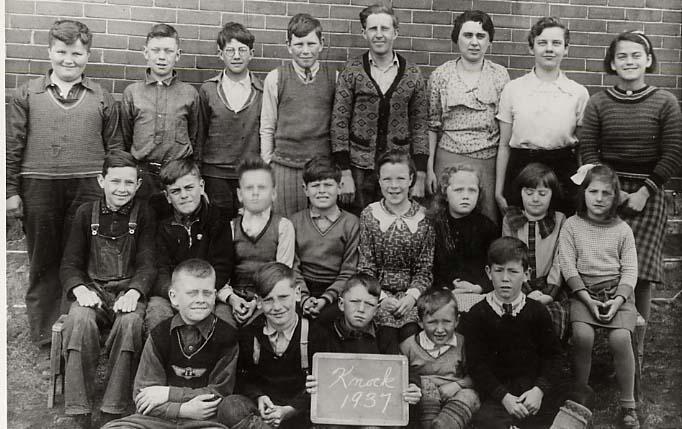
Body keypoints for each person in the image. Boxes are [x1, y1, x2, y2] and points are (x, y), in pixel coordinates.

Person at [6, 19, 123, 346]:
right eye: (61, 52)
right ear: (49, 51)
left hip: (87, 187)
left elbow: (114, 149)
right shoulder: (27, 93)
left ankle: (76, 333)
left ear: (88, 54)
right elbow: (13, 144)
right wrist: (10, 191)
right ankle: (46, 338)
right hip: (39, 185)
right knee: (44, 260)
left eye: (77, 53)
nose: (68, 60)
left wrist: (111, 189)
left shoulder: (102, 96)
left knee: (80, 260)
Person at [579, 30, 682, 367]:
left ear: (649, 60)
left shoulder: (665, 101)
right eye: (622, 56)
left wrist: (644, 191)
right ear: (612, 62)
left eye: (637, 55)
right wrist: (612, 192)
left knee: (640, 271)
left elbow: (674, 152)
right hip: (605, 188)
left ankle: (635, 351)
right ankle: (606, 340)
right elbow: (588, 151)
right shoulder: (598, 102)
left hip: (648, 191)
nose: (629, 61)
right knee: (606, 263)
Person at [59, 150, 156, 428]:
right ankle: (80, 408)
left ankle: (115, 407)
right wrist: (79, 289)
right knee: (78, 320)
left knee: (131, 323)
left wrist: (135, 292)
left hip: (128, 293)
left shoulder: (145, 213)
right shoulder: (84, 213)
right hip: (93, 292)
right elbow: (69, 263)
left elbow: (148, 264)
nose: (122, 189)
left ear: (138, 185)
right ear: (101, 181)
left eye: (129, 183)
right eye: (115, 181)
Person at [103, 259, 239, 429]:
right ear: (174, 297)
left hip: (203, 420)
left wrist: (168, 393)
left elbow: (219, 394)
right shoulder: (160, 334)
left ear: (214, 294)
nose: (201, 299)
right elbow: (143, 395)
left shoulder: (226, 337)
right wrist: (180, 410)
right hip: (159, 419)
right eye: (192, 293)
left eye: (207, 293)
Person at [559, 164, 640, 429]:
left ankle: (628, 405)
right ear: (583, 193)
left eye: (607, 193)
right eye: (593, 191)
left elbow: (630, 269)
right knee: (582, 336)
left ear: (615, 197)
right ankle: (580, 398)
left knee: (620, 338)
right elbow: (567, 265)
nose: (599, 198)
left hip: (617, 293)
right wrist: (586, 298)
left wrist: (618, 300)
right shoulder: (572, 225)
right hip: (583, 293)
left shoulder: (623, 230)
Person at [331, 3, 429, 215]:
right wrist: (345, 172)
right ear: (364, 32)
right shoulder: (352, 71)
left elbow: (420, 125)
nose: (379, 35)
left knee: (395, 222)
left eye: (385, 29)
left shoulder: (413, 74)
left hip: (398, 168)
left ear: (396, 32)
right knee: (358, 222)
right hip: (359, 168)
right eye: (373, 29)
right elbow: (339, 123)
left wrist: (420, 173)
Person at [461, 237, 563, 428]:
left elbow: (554, 357)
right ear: (488, 273)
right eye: (498, 271)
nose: (505, 279)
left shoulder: (537, 311)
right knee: (487, 420)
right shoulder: (478, 314)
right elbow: (477, 365)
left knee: (580, 395)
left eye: (513, 272)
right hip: (498, 396)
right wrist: (504, 398)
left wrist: (539, 391)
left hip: (533, 393)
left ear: (526, 274)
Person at [495, 16, 589, 216]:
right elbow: (504, 145)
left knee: (561, 234)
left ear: (566, 49)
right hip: (521, 168)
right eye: (542, 43)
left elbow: (582, 146)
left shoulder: (578, 92)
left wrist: (581, 187)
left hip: (563, 170)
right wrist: (499, 190)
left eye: (556, 43)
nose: (549, 49)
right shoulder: (513, 89)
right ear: (531, 48)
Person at [304, 274, 423, 429]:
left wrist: (413, 385)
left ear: (376, 310)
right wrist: (311, 385)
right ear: (341, 304)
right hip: (337, 415)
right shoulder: (324, 335)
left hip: (372, 413)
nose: (361, 309)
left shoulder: (385, 336)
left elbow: (403, 369)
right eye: (354, 302)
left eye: (369, 304)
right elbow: (312, 379)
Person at [426, 10, 509, 224]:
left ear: (489, 41)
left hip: (487, 161)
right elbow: (432, 125)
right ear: (457, 38)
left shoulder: (500, 75)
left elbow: (505, 127)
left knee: (485, 220)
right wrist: (429, 169)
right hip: (448, 157)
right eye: (468, 35)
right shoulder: (441, 75)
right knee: (444, 219)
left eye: (481, 36)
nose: (474, 42)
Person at [221, 263, 324, 429]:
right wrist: (258, 397)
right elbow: (242, 378)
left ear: (297, 293)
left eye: (283, 297)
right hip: (264, 414)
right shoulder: (250, 334)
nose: (277, 307)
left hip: (300, 412)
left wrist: (290, 409)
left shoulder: (316, 334)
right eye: (268, 300)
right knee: (230, 406)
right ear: (258, 302)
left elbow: (324, 385)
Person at [121, 23, 200, 216]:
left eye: (168, 51)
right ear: (146, 53)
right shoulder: (132, 92)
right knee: (143, 225)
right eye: (156, 50)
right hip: (143, 174)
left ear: (178, 55)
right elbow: (124, 136)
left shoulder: (189, 93)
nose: (162, 57)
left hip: (177, 175)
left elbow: (196, 136)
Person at [260, 13, 335, 217]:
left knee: (321, 227)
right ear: (288, 45)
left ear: (321, 44)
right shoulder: (276, 78)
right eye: (299, 44)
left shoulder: (334, 78)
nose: (305, 51)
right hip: (285, 168)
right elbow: (267, 127)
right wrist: (269, 167)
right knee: (286, 226)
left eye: (311, 44)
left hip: (321, 169)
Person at [146, 160, 234, 331]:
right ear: (167, 197)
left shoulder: (216, 219)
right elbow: (160, 268)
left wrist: (202, 294)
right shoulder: (161, 224)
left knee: (225, 323)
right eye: (176, 191)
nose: (184, 195)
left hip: (208, 291)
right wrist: (175, 294)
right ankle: (160, 357)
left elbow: (222, 265)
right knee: (157, 315)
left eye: (189, 188)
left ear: (201, 186)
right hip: (172, 294)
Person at [358, 150, 434, 343]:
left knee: (410, 336)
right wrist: (382, 298)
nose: (394, 186)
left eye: (400, 178)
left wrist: (411, 298)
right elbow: (366, 266)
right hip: (377, 294)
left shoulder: (425, 217)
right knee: (386, 336)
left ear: (411, 180)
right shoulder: (370, 214)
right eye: (387, 179)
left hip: (412, 296)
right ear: (379, 181)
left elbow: (425, 269)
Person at [215, 158, 301, 328]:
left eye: (262, 187)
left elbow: (281, 274)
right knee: (221, 326)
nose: (255, 193)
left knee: (259, 328)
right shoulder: (231, 227)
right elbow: (221, 273)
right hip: (233, 297)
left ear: (274, 193)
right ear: (240, 194)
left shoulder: (283, 226)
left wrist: (257, 302)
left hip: (268, 298)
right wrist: (232, 299)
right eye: (249, 188)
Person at [198, 22, 263, 219]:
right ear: (221, 54)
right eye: (230, 50)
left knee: (249, 226)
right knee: (218, 226)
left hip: (249, 173)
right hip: (215, 174)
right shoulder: (208, 90)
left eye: (242, 50)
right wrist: (199, 173)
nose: (236, 56)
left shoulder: (262, 91)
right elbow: (200, 134)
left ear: (251, 54)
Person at [502, 163, 569, 341]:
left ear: (552, 194)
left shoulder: (560, 220)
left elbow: (560, 260)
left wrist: (548, 294)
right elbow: (508, 257)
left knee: (553, 319)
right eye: (529, 192)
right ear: (520, 192)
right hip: (518, 285)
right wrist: (523, 290)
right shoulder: (511, 219)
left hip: (550, 286)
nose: (535, 199)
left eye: (542, 193)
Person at [291, 158, 360, 324]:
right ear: (305, 190)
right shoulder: (294, 222)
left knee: (330, 324)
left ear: (340, 187)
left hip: (337, 291)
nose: (322, 191)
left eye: (328, 185)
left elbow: (349, 271)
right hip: (302, 288)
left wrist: (326, 299)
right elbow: (292, 266)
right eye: (315, 186)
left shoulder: (351, 223)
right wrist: (305, 298)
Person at [400, 288, 480, 429]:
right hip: (425, 401)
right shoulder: (408, 346)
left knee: (469, 396)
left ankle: (443, 426)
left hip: (456, 394)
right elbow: (401, 379)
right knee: (424, 385)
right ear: (420, 322)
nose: (440, 329)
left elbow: (475, 376)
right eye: (432, 322)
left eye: (447, 322)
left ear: (456, 321)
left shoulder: (463, 344)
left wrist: (457, 385)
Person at [429, 164, 498, 297]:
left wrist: (478, 287)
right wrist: (445, 290)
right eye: (458, 190)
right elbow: (429, 268)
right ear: (445, 193)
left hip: (477, 293)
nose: (466, 196)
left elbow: (496, 266)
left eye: (472, 190)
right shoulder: (433, 226)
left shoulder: (488, 228)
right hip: (441, 294)